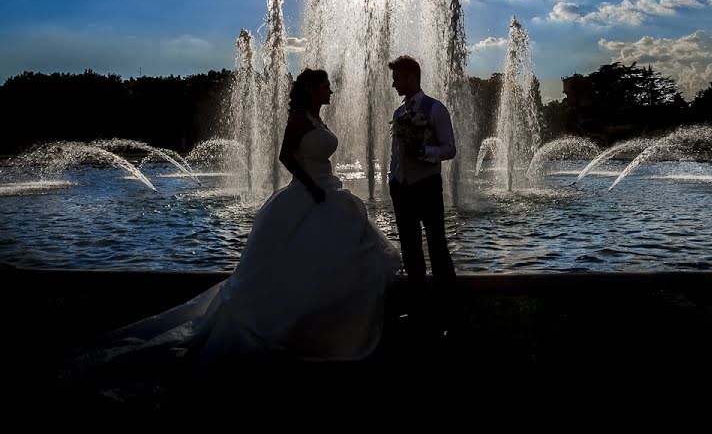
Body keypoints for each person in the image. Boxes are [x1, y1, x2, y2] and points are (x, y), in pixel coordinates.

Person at [65, 69, 401, 402]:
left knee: (338, 251)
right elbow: (286, 155)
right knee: (297, 258)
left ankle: (325, 320)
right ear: (313, 88)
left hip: (328, 191)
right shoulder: (299, 116)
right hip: (309, 193)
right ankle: (288, 320)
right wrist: (311, 185)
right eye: (327, 85)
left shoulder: (315, 117)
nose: (331, 90)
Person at [387, 55, 457, 336]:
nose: (393, 83)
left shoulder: (436, 109)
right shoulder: (398, 114)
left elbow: (450, 149)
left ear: (412, 77)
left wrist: (426, 152)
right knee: (410, 250)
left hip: (427, 186)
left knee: (437, 246)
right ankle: (419, 309)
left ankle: (448, 310)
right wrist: (393, 179)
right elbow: (395, 153)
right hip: (401, 189)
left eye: (397, 78)